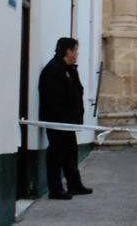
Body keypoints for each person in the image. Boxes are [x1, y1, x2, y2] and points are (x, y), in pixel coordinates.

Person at [39, 37, 93, 199]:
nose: (77, 54)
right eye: (75, 50)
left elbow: (77, 91)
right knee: (56, 154)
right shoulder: (53, 70)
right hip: (57, 121)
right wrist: (63, 118)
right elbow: (54, 98)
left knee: (71, 153)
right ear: (68, 51)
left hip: (68, 122)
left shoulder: (69, 69)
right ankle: (55, 190)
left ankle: (74, 185)